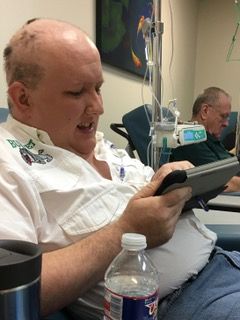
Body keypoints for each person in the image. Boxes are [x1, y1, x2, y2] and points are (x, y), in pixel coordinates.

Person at [1, 18, 240, 320]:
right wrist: (126, 231)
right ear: (23, 98)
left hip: (225, 261)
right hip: (184, 303)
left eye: (98, 88)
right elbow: (13, 291)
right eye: (77, 93)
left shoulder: (98, 144)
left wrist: (171, 186)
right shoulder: (7, 163)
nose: (99, 106)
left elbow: (133, 202)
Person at [170, 87, 240, 192]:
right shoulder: (189, 139)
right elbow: (220, 181)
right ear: (205, 111)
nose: (226, 124)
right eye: (223, 116)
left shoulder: (209, 138)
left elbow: (227, 160)